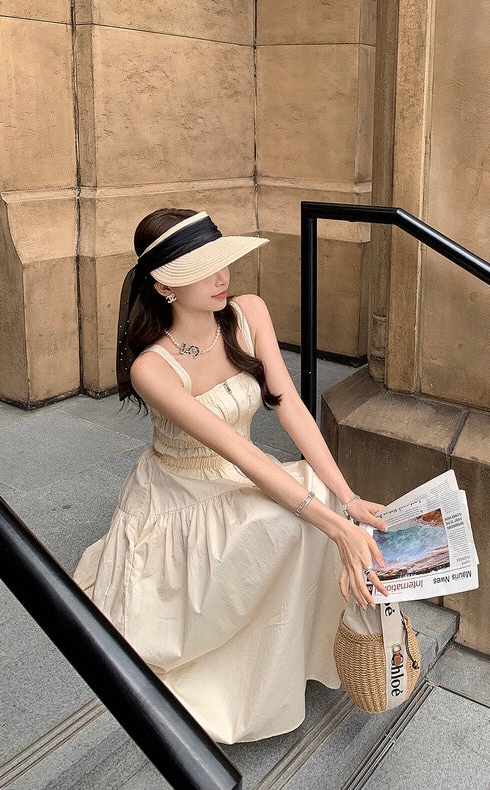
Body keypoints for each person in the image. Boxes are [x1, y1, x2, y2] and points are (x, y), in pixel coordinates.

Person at [73, 208, 389, 744]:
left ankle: (299, 647)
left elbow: (290, 406)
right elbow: (241, 454)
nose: (222, 277)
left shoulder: (248, 312)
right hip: (184, 491)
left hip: (240, 471)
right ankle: (249, 675)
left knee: (323, 501)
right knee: (291, 524)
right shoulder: (152, 368)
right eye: (203, 269)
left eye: (222, 262)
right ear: (164, 285)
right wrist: (336, 526)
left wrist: (348, 497)